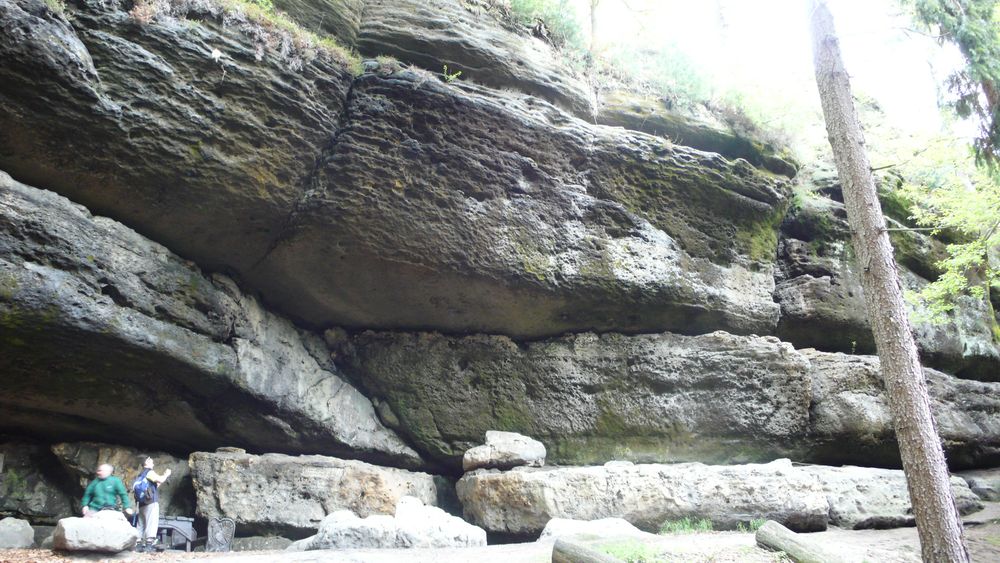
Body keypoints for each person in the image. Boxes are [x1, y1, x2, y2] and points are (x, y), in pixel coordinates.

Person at [134, 457, 171, 552]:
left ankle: (138, 545)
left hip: (142, 503)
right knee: (151, 522)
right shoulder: (149, 472)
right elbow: (161, 480)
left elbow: (154, 486)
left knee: (141, 523)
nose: (153, 464)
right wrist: (166, 474)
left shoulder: (140, 475)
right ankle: (149, 545)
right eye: (151, 462)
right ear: (146, 462)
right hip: (151, 502)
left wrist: (162, 478)